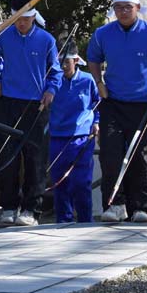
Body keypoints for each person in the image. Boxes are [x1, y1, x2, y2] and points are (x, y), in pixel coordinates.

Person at [86, 0, 147, 223]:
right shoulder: (103, 34)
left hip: (144, 103)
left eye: (128, 7)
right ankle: (115, 205)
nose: (123, 12)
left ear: (138, 8)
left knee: (141, 156)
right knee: (110, 154)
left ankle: (143, 208)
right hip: (113, 101)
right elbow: (93, 58)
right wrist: (98, 82)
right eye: (118, 7)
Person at [0, 0, 61, 226]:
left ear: (33, 17)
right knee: (6, 155)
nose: (21, 23)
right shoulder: (3, 37)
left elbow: (55, 71)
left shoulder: (46, 40)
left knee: (35, 159)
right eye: (17, 19)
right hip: (8, 101)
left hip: (36, 105)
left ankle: (31, 209)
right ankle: (8, 206)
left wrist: (51, 90)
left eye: (25, 19)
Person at [46, 42, 99, 224]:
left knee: (81, 182)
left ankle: (85, 220)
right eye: (60, 62)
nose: (63, 66)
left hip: (81, 138)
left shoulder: (87, 80)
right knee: (60, 182)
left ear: (76, 60)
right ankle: (63, 220)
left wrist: (96, 122)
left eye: (66, 62)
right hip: (57, 137)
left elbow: (97, 103)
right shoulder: (53, 81)